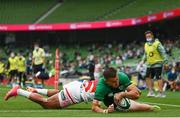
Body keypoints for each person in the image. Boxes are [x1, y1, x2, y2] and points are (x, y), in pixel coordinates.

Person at [92, 67, 161, 113]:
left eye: (117, 80)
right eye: (113, 82)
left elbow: (136, 94)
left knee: (137, 93)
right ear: (106, 81)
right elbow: (94, 107)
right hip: (111, 101)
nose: (116, 83)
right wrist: (105, 111)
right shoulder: (101, 86)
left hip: (121, 93)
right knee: (129, 105)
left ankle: (125, 93)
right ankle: (150, 107)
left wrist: (122, 94)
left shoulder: (122, 76)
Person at [4, 79, 97, 109]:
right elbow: (95, 107)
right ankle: (18, 91)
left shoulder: (103, 81)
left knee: (59, 93)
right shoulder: (107, 87)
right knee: (47, 103)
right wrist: (105, 111)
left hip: (77, 85)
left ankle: (36, 90)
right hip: (75, 93)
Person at [140, 31, 168, 97]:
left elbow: (163, 53)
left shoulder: (157, 43)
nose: (148, 37)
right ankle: (151, 92)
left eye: (149, 36)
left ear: (152, 36)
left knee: (158, 77)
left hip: (157, 63)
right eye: (147, 37)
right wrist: (142, 61)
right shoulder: (146, 44)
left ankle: (161, 93)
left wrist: (166, 62)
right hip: (149, 64)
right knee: (147, 77)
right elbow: (145, 54)